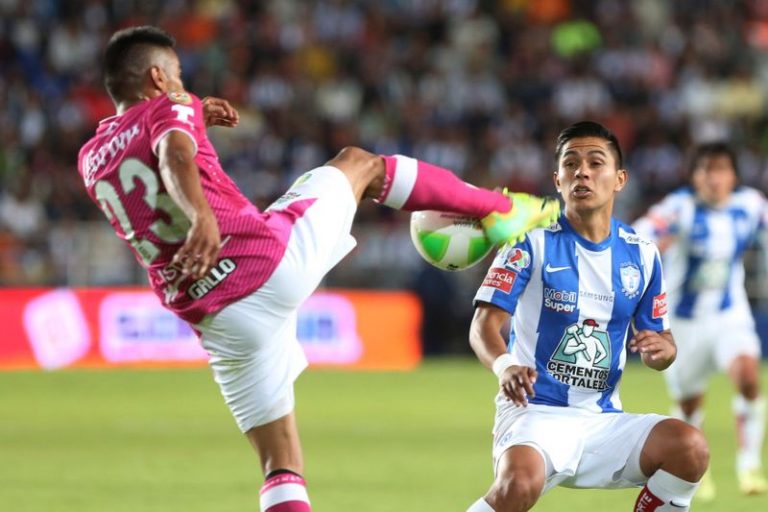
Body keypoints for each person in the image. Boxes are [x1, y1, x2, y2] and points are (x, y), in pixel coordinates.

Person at [76, 26, 560, 512]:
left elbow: (144, 154)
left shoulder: (92, 158)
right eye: (178, 78)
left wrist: (195, 112)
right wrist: (202, 214)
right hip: (262, 263)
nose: (185, 88)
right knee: (359, 164)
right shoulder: (168, 109)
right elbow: (172, 153)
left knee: (280, 465)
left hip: (218, 321)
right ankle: (500, 209)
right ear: (158, 77)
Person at [466, 121, 709, 512]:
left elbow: (662, 344)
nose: (582, 171)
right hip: (535, 413)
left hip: (602, 422)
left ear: (619, 179)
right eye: (571, 164)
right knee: (517, 486)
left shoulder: (643, 254)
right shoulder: (529, 242)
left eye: (596, 162)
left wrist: (661, 352)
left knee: (689, 448)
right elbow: (483, 326)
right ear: (558, 179)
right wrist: (506, 366)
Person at [633, 141, 768, 499]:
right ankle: (696, 469)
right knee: (691, 403)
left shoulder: (750, 206)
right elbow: (639, 234)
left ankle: (749, 465)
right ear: (695, 176)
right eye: (706, 170)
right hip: (682, 324)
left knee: (749, 377)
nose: (713, 178)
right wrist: (653, 246)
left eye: (721, 169)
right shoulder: (679, 208)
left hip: (729, 315)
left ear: (733, 175)